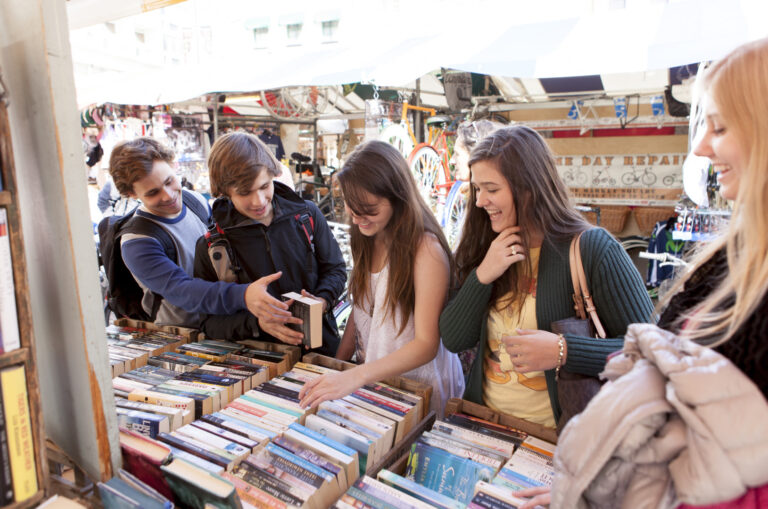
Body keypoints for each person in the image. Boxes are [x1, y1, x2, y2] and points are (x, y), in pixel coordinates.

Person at [518, 37, 768, 509]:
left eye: (720, 127)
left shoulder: (593, 246)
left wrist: (565, 350)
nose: (701, 146)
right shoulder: (733, 257)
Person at [439, 125, 653, 429]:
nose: (479, 201)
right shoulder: (487, 245)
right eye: (477, 189)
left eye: (492, 189)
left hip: (559, 437)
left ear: (529, 188)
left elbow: (649, 351)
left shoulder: (593, 248)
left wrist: (563, 350)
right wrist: (482, 276)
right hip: (486, 426)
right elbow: (453, 338)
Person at [298, 140, 465, 417]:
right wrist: (338, 368)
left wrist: (354, 376)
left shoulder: (425, 249)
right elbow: (362, 311)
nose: (357, 219)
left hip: (420, 391)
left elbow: (426, 344)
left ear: (397, 197)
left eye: (369, 209)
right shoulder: (367, 235)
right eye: (350, 207)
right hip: (378, 384)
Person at [193, 132, 346, 357]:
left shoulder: (307, 215)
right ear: (224, 191)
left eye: (264, 186)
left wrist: (323, 299)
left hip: (321, 352)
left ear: (274, 175)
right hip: (260, 363)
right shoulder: (212, 246)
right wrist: (257, 323)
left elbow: (336, 269)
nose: (259, 201)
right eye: (245, 193)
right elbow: (208, 323)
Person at [109, 137, 272, 328]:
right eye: (153, 193)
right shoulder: (137, 242)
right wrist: (243, 295)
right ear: (132, 194)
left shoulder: (194, 201)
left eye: (169, 181)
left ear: (173, 166)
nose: (168, 195)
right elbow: (181, 290)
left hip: (224, 323)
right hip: (182, 333)